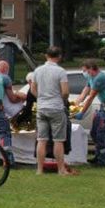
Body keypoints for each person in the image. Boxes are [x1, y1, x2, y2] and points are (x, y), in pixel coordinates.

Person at [30, 46, 73, 176]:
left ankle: (39, 169)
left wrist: (41, 98)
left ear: (46, 56)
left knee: (41, 139)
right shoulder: (60, 71)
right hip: (56, 107)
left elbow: (32, 89)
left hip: (42, 107)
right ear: (59, 56)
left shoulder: (37, 71)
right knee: (58, 140)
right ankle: (61, 169)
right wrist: (61, 99)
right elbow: (65, 92)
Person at [77, 59, 105, 167]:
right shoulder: (91, 77)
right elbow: (85, 91)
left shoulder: (100, 78)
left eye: (85, 70)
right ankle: (98, 156)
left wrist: (82, 112)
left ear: (91, 69)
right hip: (104, 106)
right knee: (94, 132)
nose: (84, 73)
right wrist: (77, 102)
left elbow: (91, 96)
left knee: (102, 133)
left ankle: (103, 160)